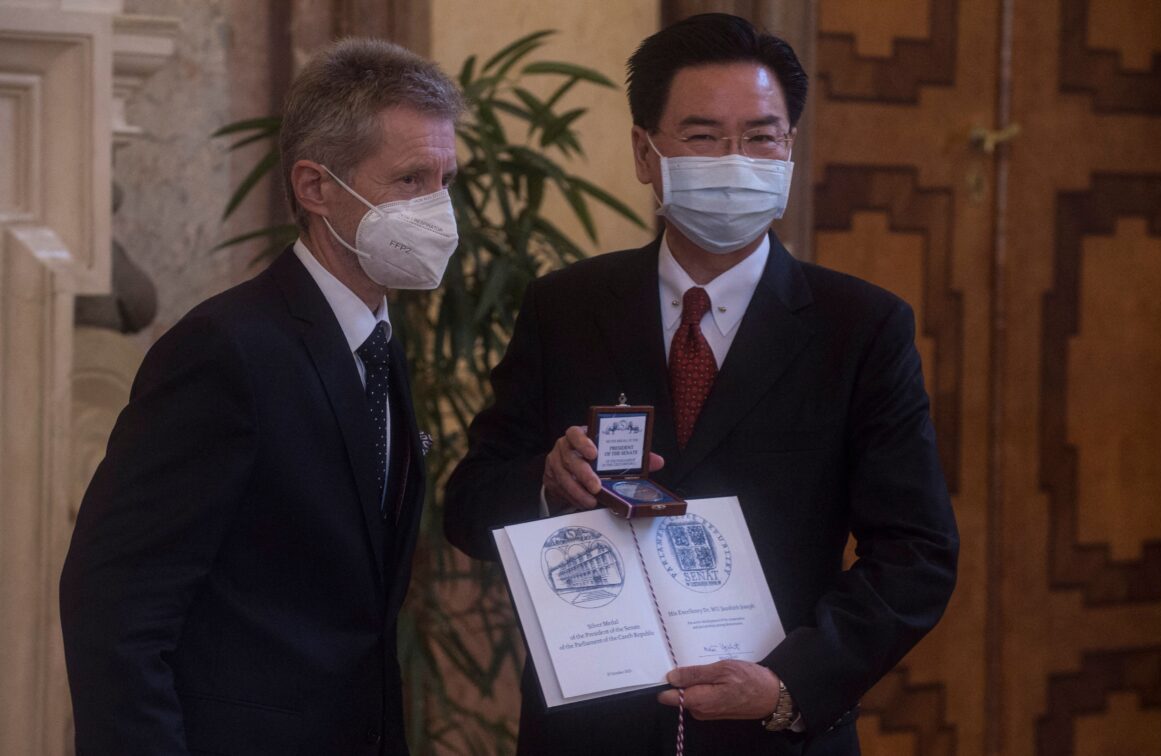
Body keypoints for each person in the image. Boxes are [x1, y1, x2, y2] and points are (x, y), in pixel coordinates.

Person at [443, 13, 958, 756]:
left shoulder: (862, 327)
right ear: (644, 152)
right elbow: (469, 507)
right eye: (704, 136)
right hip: (592, 734)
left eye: (761, 137)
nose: (734, 160)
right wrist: (547, 488)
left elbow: (917, 552)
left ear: (790, 149)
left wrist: (790, 685)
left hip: (772, 735)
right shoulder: (565, 307)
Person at [60, 38, 463, 756]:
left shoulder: (378, 341)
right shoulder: (223, 350)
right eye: (410, 179)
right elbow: (115, 605)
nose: (438, 208)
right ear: (315, 187)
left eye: (445, 179)